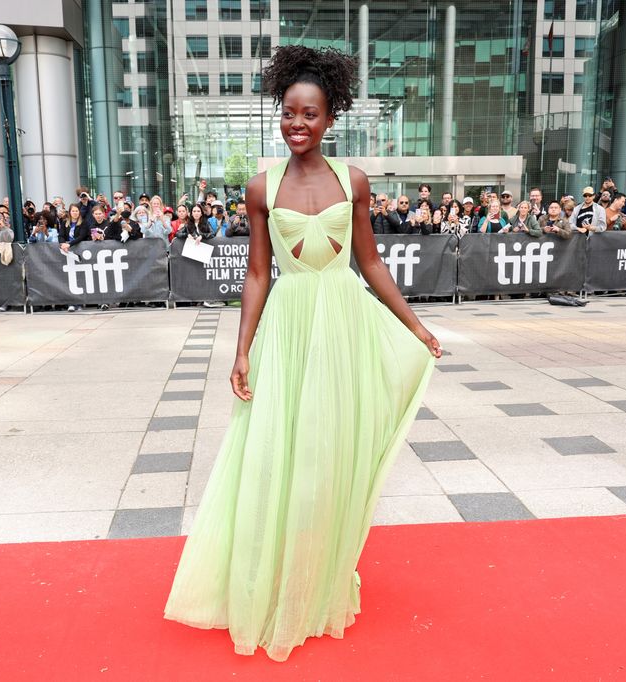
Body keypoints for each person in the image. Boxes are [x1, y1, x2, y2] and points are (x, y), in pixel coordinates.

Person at [163, 44, 442, 663]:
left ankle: (315, 583)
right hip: (289, 332)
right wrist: (242, 352)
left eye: (310, 115)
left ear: (330, 118)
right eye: (289, 113)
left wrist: (417, 329)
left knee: (328, 456)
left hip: (342, 328)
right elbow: (258, 274)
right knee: (277, 456)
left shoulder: (355, 181)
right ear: (279, 114)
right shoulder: (262, 185)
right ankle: (274, 583)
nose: (298, 124)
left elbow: (370, 262)